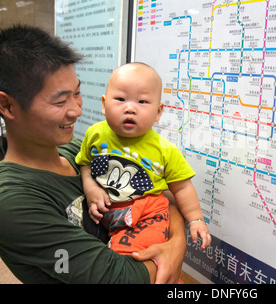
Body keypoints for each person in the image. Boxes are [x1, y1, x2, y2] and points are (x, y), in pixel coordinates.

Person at [0, 24, 187, 284]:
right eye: (60, 101)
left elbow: (162, 194)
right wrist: (172, 254)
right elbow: (124, 279)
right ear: (7, 105)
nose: (77, 110)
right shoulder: (13, 204)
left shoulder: (81, 152)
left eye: (77, 93)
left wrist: (178, 242)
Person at [76, 62, 211, 255]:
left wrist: (196, 219)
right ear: (104, 105)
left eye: (142, 102)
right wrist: (91, 189)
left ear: (158, 112)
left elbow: (182, 187)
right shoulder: (95, 134)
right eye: (121, 99)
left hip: (146, 214)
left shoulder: (165, 150)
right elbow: (85, 164)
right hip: (104, 211)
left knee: (128, 257)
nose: (130, 108)